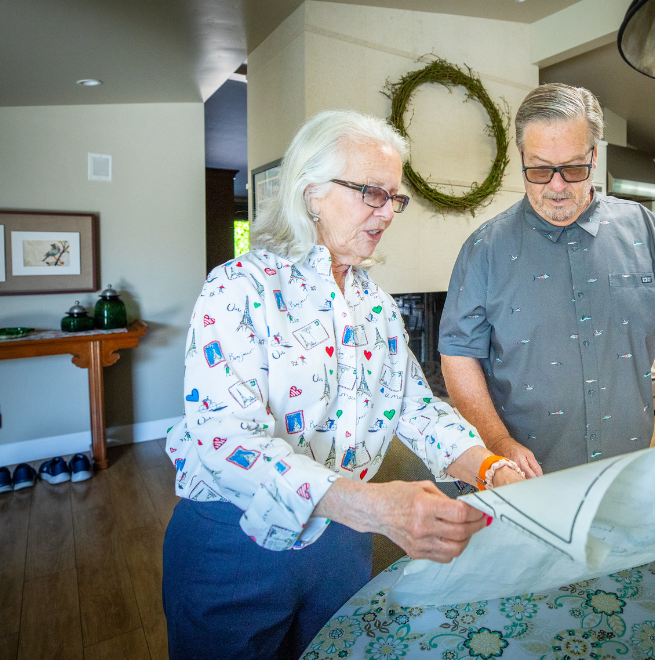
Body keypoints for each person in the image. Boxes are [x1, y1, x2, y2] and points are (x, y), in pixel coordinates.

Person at [162, 110, 525, 660]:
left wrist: (487, 467)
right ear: (311, 193)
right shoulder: (237, 289)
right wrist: (378, 508)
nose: (387, 212)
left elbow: (415, 408)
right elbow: (227, 442)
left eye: (394, 198)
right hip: (234, 546)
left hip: (343, 542)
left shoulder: (375, 305)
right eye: (370, 193)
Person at [439, 83, 655, 478]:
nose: (556, 187)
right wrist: (497, 441)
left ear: (594, 157)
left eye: (573, 168)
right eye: (539, 169)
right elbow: (459, 353)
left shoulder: (644, 229)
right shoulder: (484, 249)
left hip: (626, 469)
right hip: (524, 477)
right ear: (521, 157)